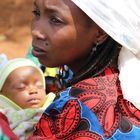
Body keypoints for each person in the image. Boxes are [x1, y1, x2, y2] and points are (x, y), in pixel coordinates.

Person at [28, 0, 140, 139]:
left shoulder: (77, 106)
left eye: (55, 20)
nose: (36, 31)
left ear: (99, 33)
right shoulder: (126, 81)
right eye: (36, 13)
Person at [0, 58, 55, 139]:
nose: (33, 90)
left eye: (39, 86)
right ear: (3, 94)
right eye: (21, 87)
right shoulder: (4, 117)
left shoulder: (56, 107)